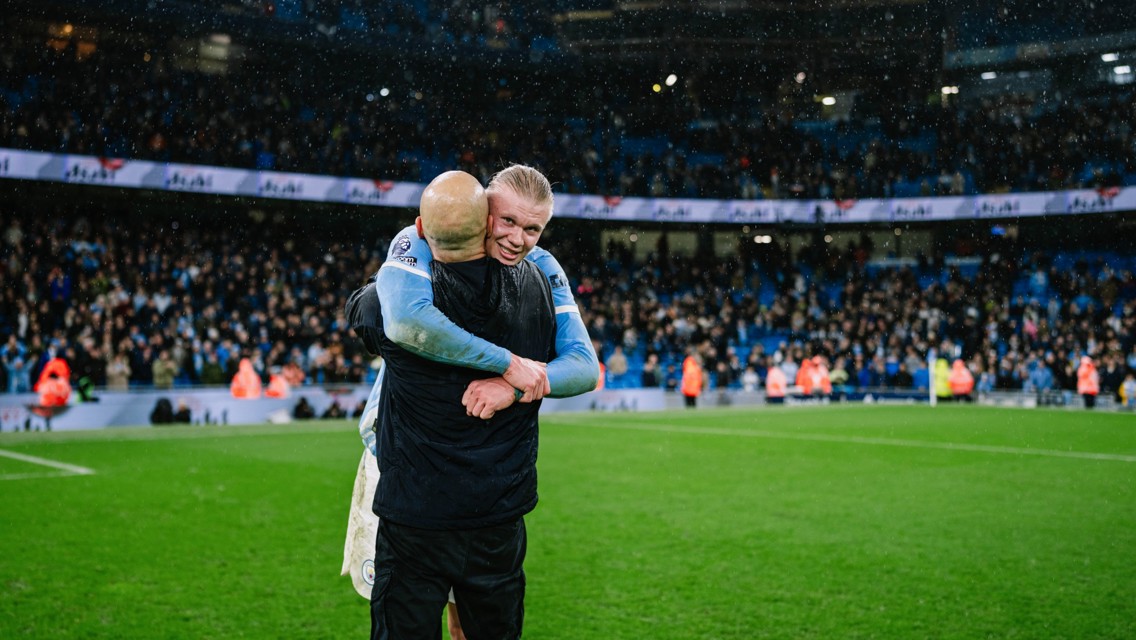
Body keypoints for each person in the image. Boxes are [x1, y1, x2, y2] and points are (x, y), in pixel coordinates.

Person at [346, 169, 598, 639]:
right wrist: (515, 370)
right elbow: (582, 367)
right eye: (506, 221)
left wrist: (513, 385)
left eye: (532, 229)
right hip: (497, 512)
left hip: (417, 511)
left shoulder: (404, 294)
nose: (518, 239)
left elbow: (372, 314)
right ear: (482, 211)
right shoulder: (542, 287)